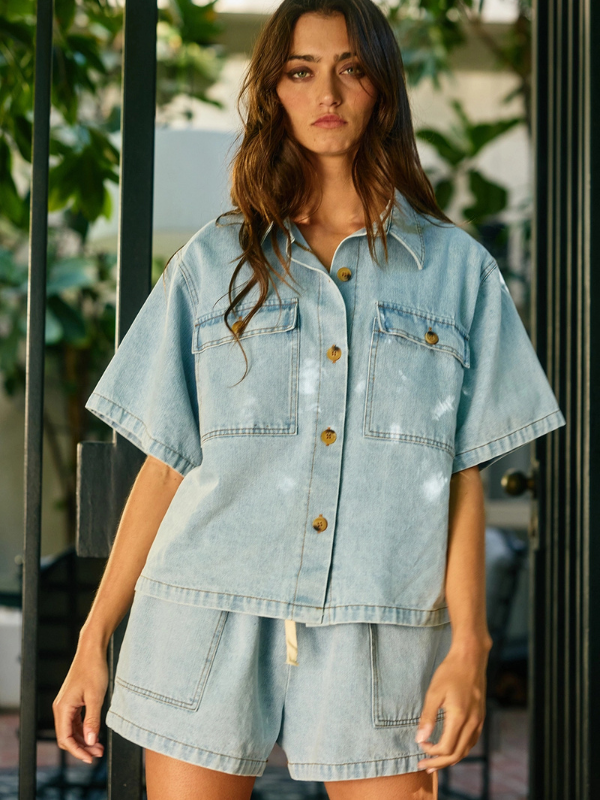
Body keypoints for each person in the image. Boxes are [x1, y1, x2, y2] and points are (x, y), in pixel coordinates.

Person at [52, 1, 566, 798]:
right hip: (204, 617)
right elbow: (165, 465)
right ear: (276, 93)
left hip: (382, 632)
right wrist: (92, 639)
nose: (327, 91)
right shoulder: (214, 261)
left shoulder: (458, 272)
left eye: (350, 68)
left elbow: (461, 476)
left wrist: (470, 648)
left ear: (381, 91)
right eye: (301, 71)